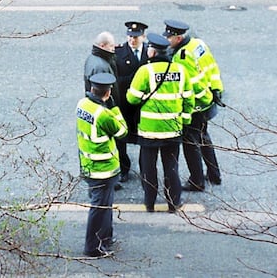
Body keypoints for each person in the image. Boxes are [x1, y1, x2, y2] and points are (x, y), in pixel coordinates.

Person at [126, 33, 194, 212]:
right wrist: (184, 122)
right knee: (171, 168)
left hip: (150, 131)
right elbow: (189, 100)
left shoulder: (145, 71)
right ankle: (173, 203)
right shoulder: (180, 70)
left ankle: (150, 202)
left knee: (149, 169)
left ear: (153, 52)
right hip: (173, 130)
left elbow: (132, 98)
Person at [163, 19, 225, 190]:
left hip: (197, 106)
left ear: (178, 38)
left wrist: (187, 108)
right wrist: (216, 90)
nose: (167, 40)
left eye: (170, 37)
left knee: (190, 145)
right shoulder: (198, 44)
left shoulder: (181, 57)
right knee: (204, 138)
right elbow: (212, 67)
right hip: (210, 99)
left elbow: (191, 87)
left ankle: (197, 181)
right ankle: (214, 175)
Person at [76, 72, 128, 257]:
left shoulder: (82, 104)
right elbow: (122, 132)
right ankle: (92, 247)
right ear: (107, 93)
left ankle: (106, 238)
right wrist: (114, 109)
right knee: (99, 207)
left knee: (105, 204)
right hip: (103, 169)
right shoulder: (104, 114)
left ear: (92, 89)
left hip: (89, 165)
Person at [113, 21, 149, 184]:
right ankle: (124, 168)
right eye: (130, 36)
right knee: (121, 138)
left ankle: (145, 169)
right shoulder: (119, 53)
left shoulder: (150, 52)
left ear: (143, 37)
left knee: (145, 138)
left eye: (136, 37)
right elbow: (116, 79)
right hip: (126, 104)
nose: (132, 40)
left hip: (144, 105)